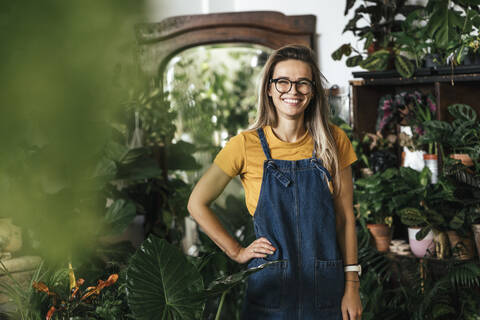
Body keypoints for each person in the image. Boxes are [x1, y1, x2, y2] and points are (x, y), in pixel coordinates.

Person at [187, 44, 362, 320]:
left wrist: (352, 285)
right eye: (283, 82)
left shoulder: (333, 140)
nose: (293, 91)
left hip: (326, 289)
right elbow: (197, 203)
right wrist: (236, 251)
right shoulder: (245, 145)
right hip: (270, 290)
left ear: (313, 91)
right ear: (269, 88)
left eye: (303, 83)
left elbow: (345, 219)